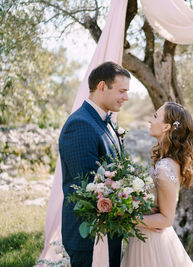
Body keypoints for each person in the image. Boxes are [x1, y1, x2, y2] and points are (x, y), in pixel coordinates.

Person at [58, 61, 130, 267]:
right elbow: (88, 186)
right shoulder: (80, 124)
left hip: (109, 231)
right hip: (89, 236)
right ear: (101, 87)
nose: (126, 97)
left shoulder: (105, 122)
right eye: (122, 91)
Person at [121, 102, 193, 267]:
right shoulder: (166, 162)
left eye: (154, 117)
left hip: (152, 243)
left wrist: (126, 218)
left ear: (167, 127)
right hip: (145, 233)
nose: (150, 121)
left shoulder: (165, 168)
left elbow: (167, 219)